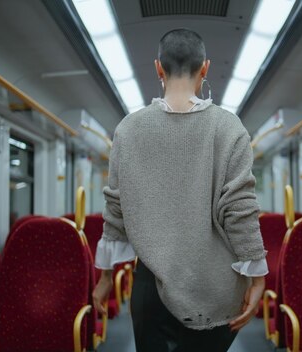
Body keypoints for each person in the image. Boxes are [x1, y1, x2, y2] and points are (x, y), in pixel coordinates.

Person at [92, 28, 268, 352]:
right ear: (206, 68)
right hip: (213, 287)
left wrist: (105, 277)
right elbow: (240, 208)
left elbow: (115, 208)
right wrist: (257, 276)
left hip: (150, 289)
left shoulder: (128, 130)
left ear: (158, 67)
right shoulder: (229, 128)